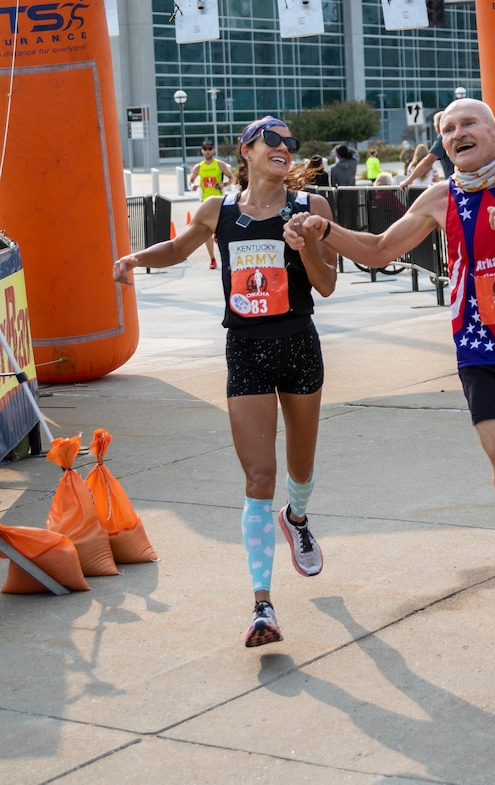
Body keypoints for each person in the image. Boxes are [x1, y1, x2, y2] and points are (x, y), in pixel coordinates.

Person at [285, 97, 495, 662]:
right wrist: (323, 230)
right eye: (448, 129)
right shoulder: (439, 199)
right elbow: (381, 249)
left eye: (468, 123)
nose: (458, 133)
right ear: (443, 144)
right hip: (481, 356)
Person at [113, 115, 337, 648]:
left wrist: (305, 244)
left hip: (299, 346)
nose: (285, 148)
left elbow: (326, 285)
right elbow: (179, 247)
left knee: (300, 468)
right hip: (247, 351)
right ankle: (262, 605)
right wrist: (134, 259)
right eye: (273, 141)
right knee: (259, 475)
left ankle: (298, 516)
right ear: (248, 150)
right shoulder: (220, 210)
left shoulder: (312, 208)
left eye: (290, 143)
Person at [189, 141, 233, 269]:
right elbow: (191, 180)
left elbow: (231, 178)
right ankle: (212, 258)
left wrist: (223, 185)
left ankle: (226, 257)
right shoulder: (199, 167)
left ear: (213, 150)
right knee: (206, 232)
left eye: (209, 148)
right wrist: (193, 186)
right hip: (205, 202)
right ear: (202, 151)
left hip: (219, 202)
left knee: (223, 231)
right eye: (205, 149)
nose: (207, 151)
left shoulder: (219, 164)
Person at [402, 109, 454, 188]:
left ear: (437, 126)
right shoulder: (456, 134)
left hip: (457, 183)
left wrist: (408, 181)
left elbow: (428, 161)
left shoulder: (443, 137)